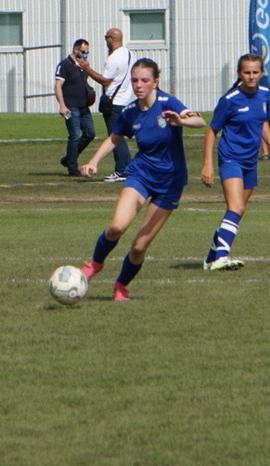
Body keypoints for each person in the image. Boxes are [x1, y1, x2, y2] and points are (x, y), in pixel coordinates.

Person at [78, 58, 204, 301]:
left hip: (170, 183)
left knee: (138, 247)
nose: (139, 85)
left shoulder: (169, 103)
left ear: (156, 82)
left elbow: (199, 120)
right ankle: (95, 264)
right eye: (135, 80)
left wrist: (182, 121)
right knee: (117, 226)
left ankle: (120, 286)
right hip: (141, 175)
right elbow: (114, 138)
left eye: (145, 80)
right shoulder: (130, 113)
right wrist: (93, 161)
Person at [200, 53, 270, 271]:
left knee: (238, 210)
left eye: (255, 72)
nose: (251, 77)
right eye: (246, 72)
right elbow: (212, 130)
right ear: (239, 74)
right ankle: (221, 257)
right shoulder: (229, 100)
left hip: (251, 161)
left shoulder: (265, 95)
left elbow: (262, 121)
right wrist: (208, 164)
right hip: (231, 158)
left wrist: (269, 143)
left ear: (261, 73)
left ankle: (211, 258)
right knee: (236, 206)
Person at [80, 27, 135, 182]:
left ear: (112, 39)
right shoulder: (130, 54)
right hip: (125, 99)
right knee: (119, 135)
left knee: (114, 137)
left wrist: (87, 69)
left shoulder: (113, 58)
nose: (105, 41)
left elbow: (105, 80)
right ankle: (127, 167)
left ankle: (122, 169)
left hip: (113, 101)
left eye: (106, 38)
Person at [54, 38, 96, 176]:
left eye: (87, 52)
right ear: (76, 50)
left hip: (83, 106)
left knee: (90, 133)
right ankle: (72, 168)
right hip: (71, 107)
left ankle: (68, 159)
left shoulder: (83, 66)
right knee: (74, 135)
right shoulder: (65, 65)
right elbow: (58, 85)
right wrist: (62, 105)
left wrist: (87, 68)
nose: (85, 55)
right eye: (83, 51)